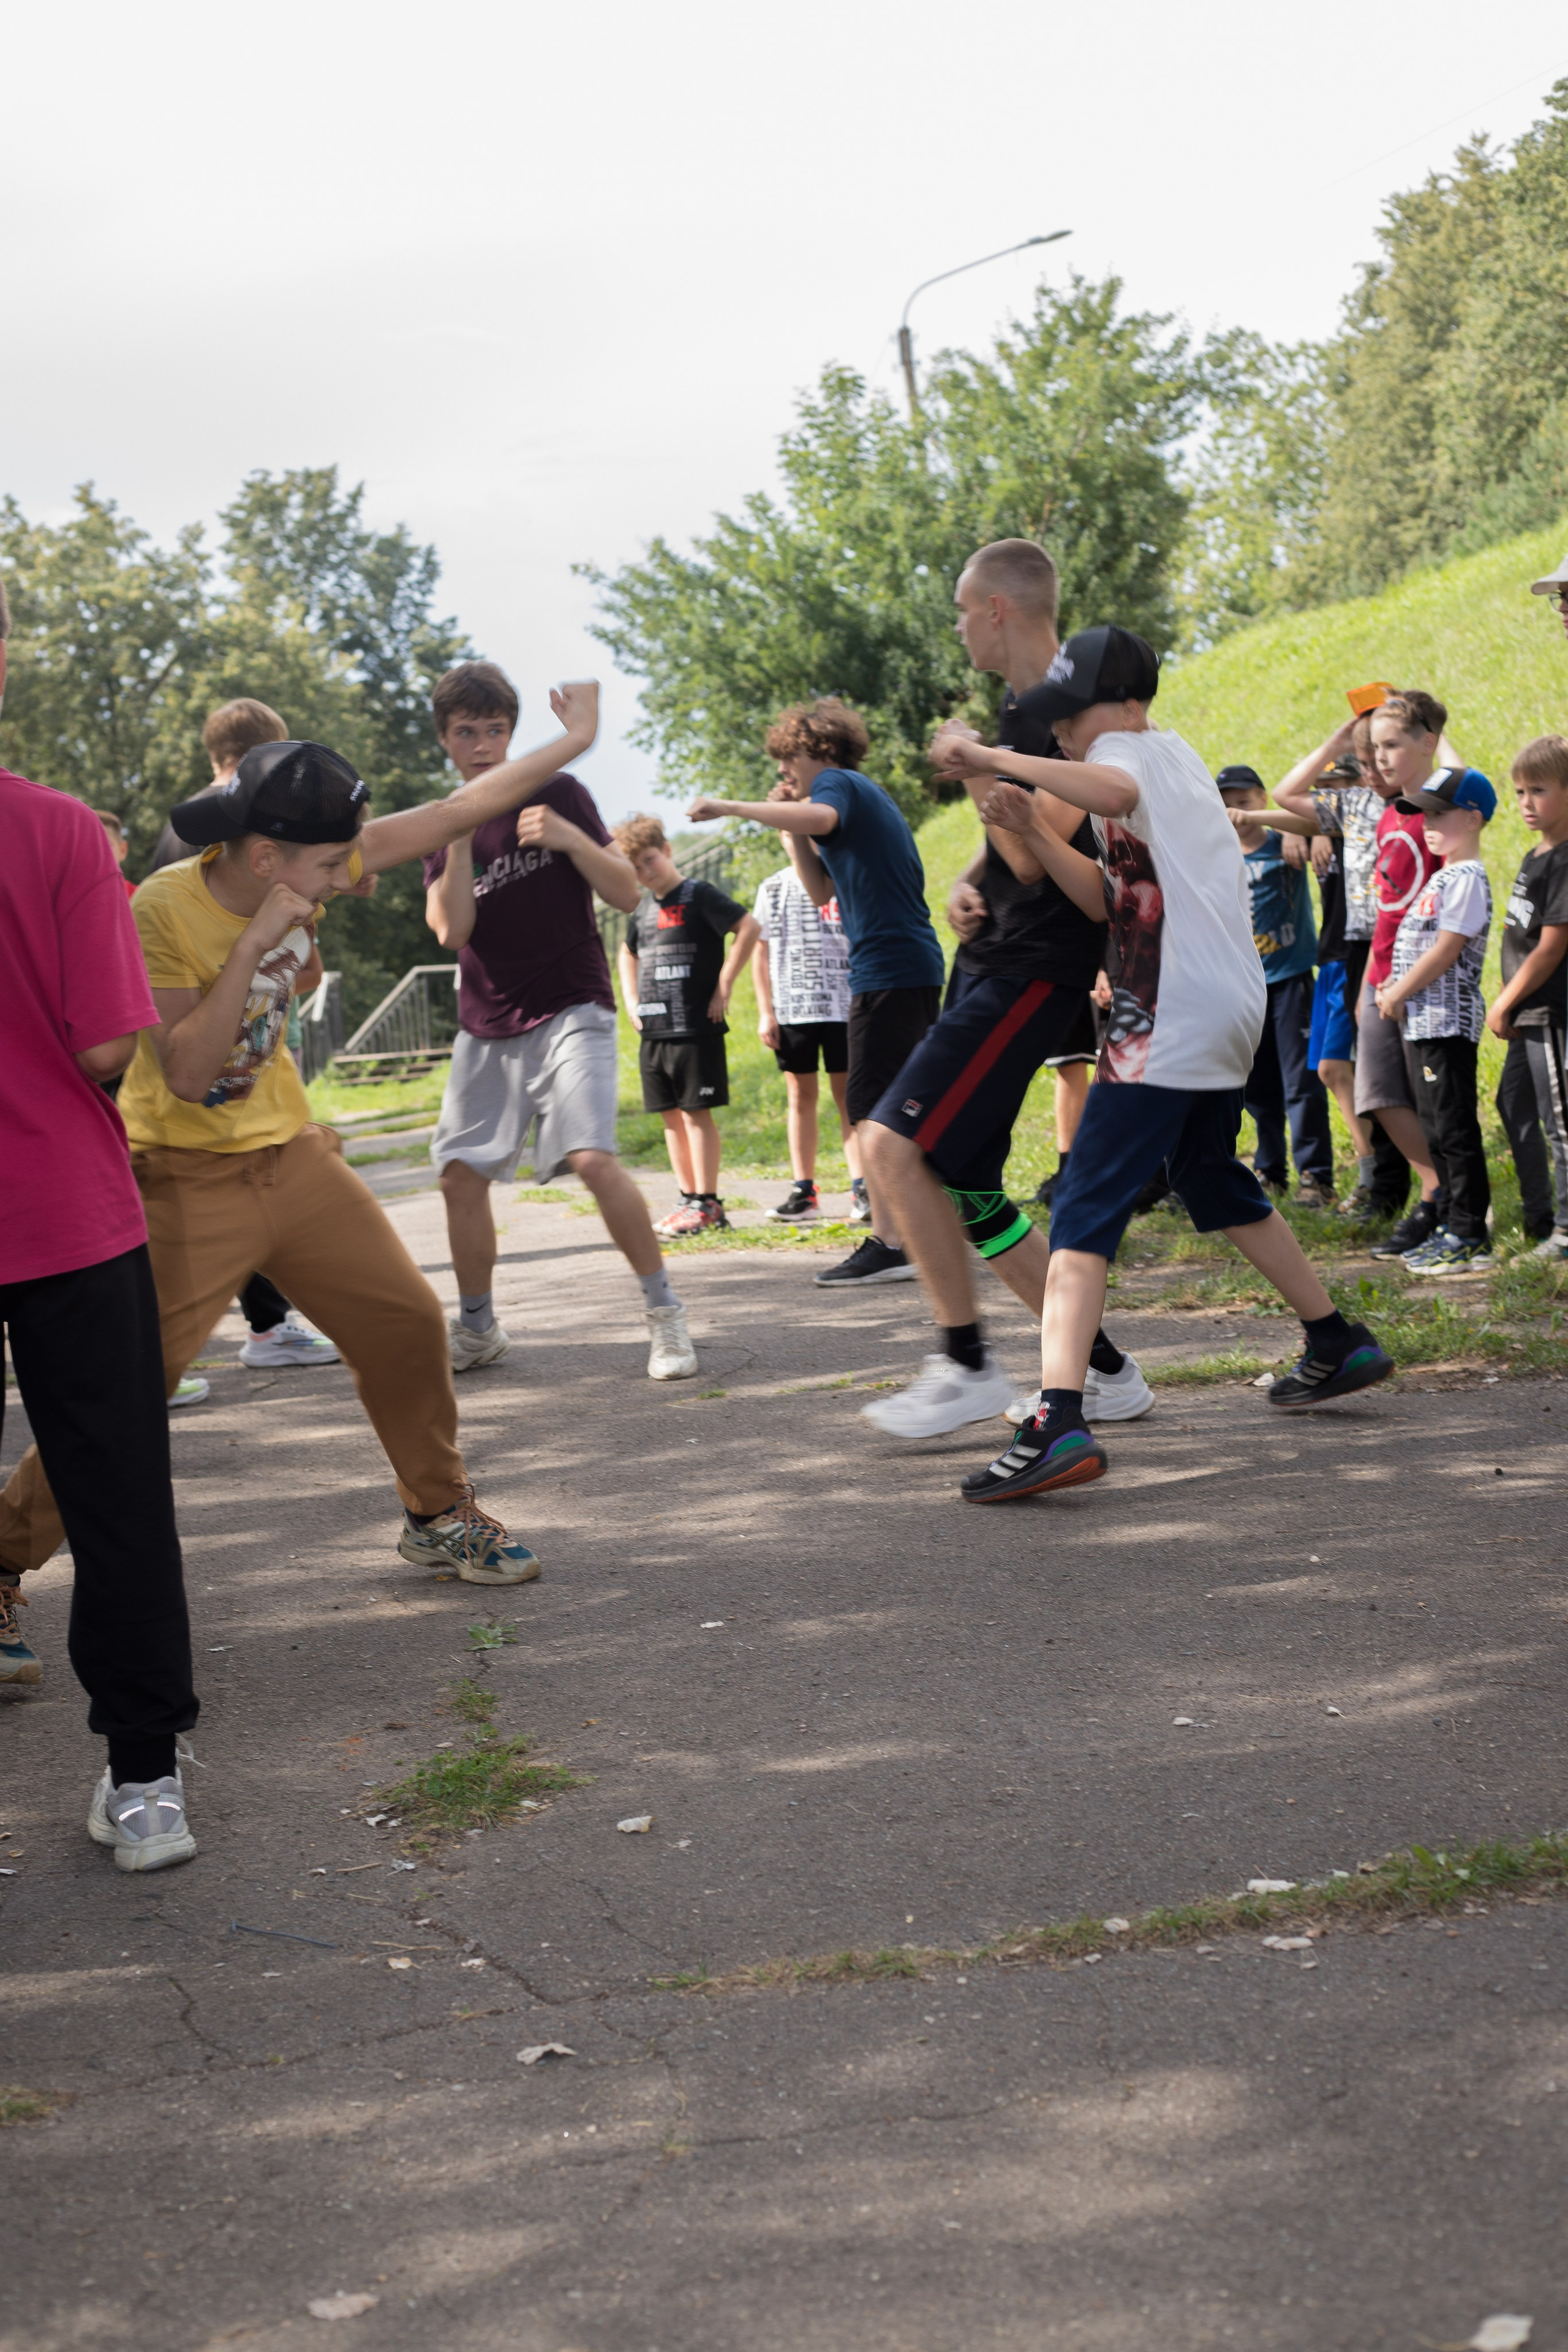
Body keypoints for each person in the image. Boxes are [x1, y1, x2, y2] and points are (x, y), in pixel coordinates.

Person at [0, 699, 603, 1599]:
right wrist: (256, 945)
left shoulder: (310, 859)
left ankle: (437, 1514)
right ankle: (2, 1561)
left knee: (404, 1323)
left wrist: (575, 742)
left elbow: (450, 816)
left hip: (297, 1160)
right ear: (265, 856)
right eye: (328, 867)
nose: (344, 880)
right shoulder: (161, 909)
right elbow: (193, 1074)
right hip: (185, 1182)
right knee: (121, 1398)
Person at [933, 625, 1393, 1504]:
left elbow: (1108, 778)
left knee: (1082, 1206)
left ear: (1112, 705)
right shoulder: (1177, 759)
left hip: (1172, 1010)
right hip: (1228, 1005)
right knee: (1212, 1178)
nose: (1057, 733)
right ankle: (1336, 1340)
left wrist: (997, 757)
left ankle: (1058, 1418)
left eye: (1063, 716)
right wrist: (1034, 823)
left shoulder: (1126, 751)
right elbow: (1112, 899)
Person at [852, 539, 1150, 1438]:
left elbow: (1041, 842)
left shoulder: (1070, 708)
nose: (955, 627)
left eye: (960, 609)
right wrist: (971, 873)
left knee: (889, 1147)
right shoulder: (1022, 707)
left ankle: (966, 1363)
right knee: (970, 1184)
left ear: (996, 610)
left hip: (1037, 971)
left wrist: (979, 765)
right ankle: (1105, 1371)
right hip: (993, 956)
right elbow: (1006, 848)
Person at [0, 579, 201, 1869]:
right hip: (61, 1211)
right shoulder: (63, 833)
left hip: (64, 1211)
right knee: (116, 1495)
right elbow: (104, 1044)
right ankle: (142, 1786)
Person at [423, 666, 696, 1381]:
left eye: (494, 730)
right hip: (486, 1022)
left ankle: (665, 1315)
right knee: (458, 1176)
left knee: (590, 1156)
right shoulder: (441, 818)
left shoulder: (557, 790)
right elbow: (451, 931)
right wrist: (455, 836)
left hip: (572, 1003)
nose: (482, 745)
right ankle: (478, 1325)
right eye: (466, 732)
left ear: (511, 734)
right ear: (446, 742)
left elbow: (624, 891)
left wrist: (573, 840)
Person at [688, 698, 945, 1287]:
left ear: (818, 750)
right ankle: (916, 1227)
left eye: (788, 763)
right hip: (893, 968)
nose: (785, 776)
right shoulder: (847, 793)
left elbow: (822, 819)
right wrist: (786, 827)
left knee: (869, 1108)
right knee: (885, 1105)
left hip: (891, 969)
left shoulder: (838, 784)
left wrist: (731, 807)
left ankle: (892, 1241)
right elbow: (819, 888)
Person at [154, 696, 342, 1373]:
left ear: (215, 756)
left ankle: (256, 1327)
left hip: (231, 1069)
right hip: (211, 1077)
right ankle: (258, 1328)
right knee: (217, 1223)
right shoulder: (249, 832)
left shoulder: (183, 833)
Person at [1276, 714, 1409, 1219]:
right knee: (1351, 1069)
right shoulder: (1350, 808)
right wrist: (1334, 738)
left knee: (1382, 1073)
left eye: (1376, 759)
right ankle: (1382, 1177)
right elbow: (1287, 795)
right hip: (1351, 950)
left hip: (1391, 945)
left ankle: (1409, 1181)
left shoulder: (1408, 807)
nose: (1371, 770)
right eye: (1363, 760)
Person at [1374, 767, 1496, 1272]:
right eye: (1424, 813)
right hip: (1424, 1024)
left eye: (1439, 813)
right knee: (1436, 1128)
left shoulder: (1467, 877)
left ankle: (1470, 1231)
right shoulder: (1443, 875)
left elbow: (1447, 948)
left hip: (1447, 1023)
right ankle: (1449, 1223)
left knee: (1454, 1129)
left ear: (1473, 817)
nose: (1428, 823)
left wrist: (1399, 989)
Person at [613, 816, 755, 1238]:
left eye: (650, 860)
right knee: (670, 1118)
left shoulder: (699, 895)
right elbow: (627, 953)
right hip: (654, 1031)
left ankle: (709, 1203)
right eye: (636, 867)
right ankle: (687, 1198)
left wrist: (724, 985)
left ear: (667, 850)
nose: (646, 872)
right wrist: (631, 1000)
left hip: (695, 1026)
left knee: (696, 1115)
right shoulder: (640, 907)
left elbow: (748, 927)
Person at [1216, 764, 1336, 1207]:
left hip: (1290, 980)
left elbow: (1318, 822)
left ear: (1263, 799)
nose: (1237, 810)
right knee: (1259, 1086)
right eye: (1228, 802)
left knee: (1302, 1080)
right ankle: (1270, 1169)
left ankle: (1316, 1175)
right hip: (1245, 988)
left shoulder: (1286, 842)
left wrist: (1300, 833)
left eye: (1245, 800)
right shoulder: (1218, 855)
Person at [748, 859, 864, 1223]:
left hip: (843, 1005)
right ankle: (804, 1191)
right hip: (793, 1007)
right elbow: (760, 950)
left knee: (849, 1098)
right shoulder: (772, 886)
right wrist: (766, 1011)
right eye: (787, 831)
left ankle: (862, 1188)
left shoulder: (843, 874)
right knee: (800, 1097)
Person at [1490, 736, 1568, 1256]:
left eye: (1538, 790)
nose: (1526, 802)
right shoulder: (1533, 854)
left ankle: (1566, 1230)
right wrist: (1508, 997)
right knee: (1512, 1101)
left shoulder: (1564, 860)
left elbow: (1552, 946)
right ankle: (1540, 1217)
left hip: (1551, 1009)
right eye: (1519, 791)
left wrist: (1503, 1001)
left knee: (1559, 1118)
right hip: (1525, 1007)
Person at [97, 809, 137, 897]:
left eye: (106, 845)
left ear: (123, 850)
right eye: (90, 846)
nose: (98, 853)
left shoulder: (139, 897)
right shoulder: (68, 900)